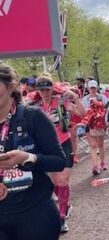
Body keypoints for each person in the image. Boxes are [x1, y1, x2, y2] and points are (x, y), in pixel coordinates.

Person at [0, 63, 66, 240]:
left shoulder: (32, 116)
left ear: (10, 86)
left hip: (35, 213)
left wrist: (28, 158)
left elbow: (59, 161)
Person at [34, 73, 85, 233]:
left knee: (62, 180)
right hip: (46, 147)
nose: (45, 93)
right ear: (38, 91)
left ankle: (61, 217)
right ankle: (66, 205)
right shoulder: (35, 107)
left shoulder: (61, 102)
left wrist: (75, 99)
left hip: (64, 144)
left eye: (47, 89)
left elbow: (82, 113)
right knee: (55, 182)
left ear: (52, 89)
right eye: (41, 90)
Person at [81, 80, 109, 175]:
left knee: (100, 145)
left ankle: (102, 162)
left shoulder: (102, 97)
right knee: (93, 146)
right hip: (90, 125)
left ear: (97, 87)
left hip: (100, 124)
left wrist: (102, 111)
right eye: (91, 88)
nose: (93, 89)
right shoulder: (85, 99)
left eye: (94, 87)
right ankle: (94, 166)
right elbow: (83, 111)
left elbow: (108, 105)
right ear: (88, 88)